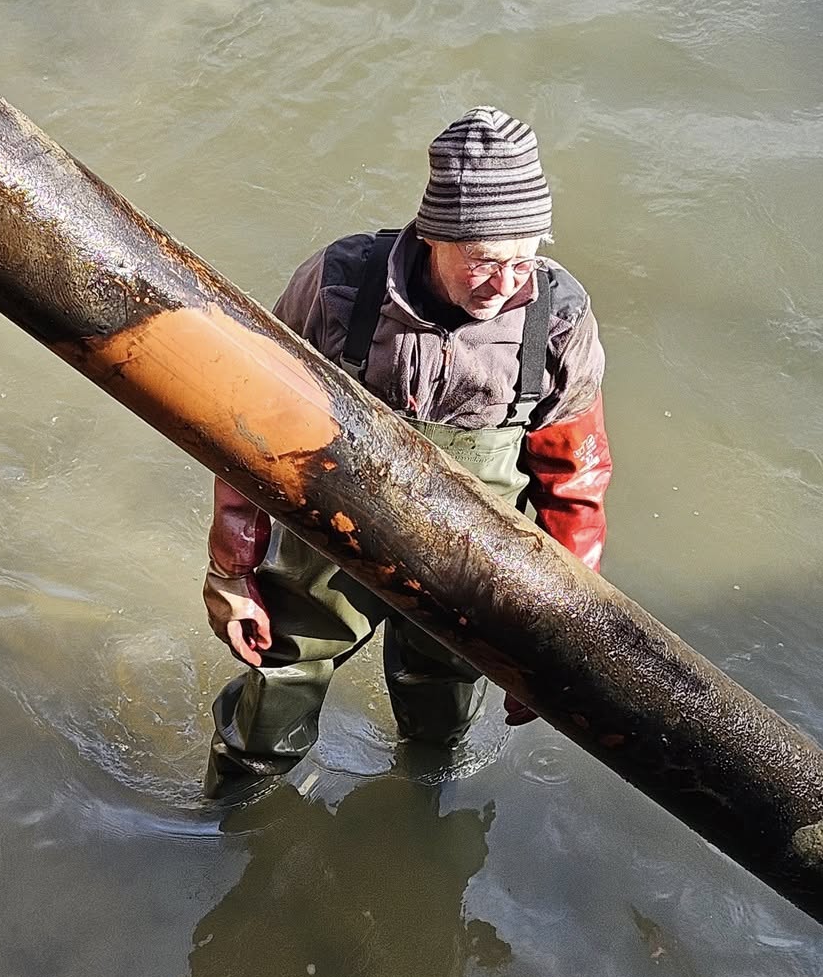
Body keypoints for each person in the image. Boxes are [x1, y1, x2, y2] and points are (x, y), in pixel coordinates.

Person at [202, 107, 612, 796]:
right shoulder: (338, 284)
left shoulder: (558, 319)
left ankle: (421, 811)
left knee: (441, 715)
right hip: (332, 538)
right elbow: (251, 425)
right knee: (275, 694)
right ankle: (226, 813)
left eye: (523, 260)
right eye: (484, 262)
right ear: (431, 236)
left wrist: (551, 642)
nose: (505, 284)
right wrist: (231, 571)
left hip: (469, 561)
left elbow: (575, 481)